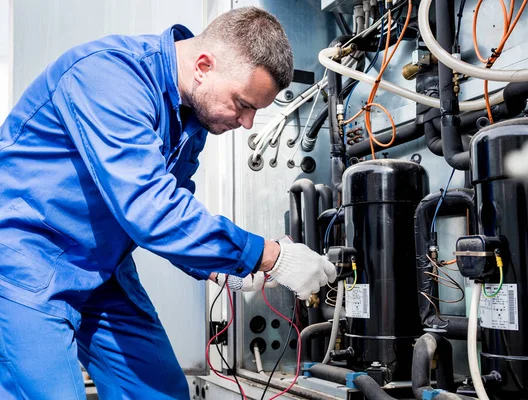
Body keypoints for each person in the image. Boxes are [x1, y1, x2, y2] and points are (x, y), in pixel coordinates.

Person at [0, 7, 336, 400]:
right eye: (244, 103)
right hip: (24, 263)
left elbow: (175, 204)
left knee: (161, 391)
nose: (247, 123)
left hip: (102, 269)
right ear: (204, 66)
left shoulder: (191, 116)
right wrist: (268, 255)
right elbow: (151, 210)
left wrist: (219, 269)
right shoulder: (109, 77)